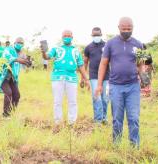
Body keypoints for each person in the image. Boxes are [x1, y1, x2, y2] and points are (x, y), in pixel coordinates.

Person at [95, 17, 143, 147]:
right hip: (115, 86)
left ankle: (134, 147)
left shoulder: (138, 44)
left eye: (129, 29)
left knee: (134, 118)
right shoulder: (110, 44)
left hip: (133, 86)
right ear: (119, 28)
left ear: (133, 28)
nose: (126, 31)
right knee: (117, 119)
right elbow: (103, 64)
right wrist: (99, 85)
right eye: (124, 29)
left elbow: (140, 64)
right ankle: (116, 146)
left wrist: (143, 77)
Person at [42, 30, 89, 126]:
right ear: (62, 37)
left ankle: (72, 123)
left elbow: (81, 65)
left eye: (68, 36)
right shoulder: (56, 48)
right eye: (65, 36)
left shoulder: (76, 50)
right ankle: (58, 123)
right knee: (57, 101)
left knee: (73, 102)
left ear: (72, 37)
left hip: (72, 79)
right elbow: (47, 57)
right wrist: (43, 52)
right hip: (57, 78)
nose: (66, 37)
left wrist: (86, 79)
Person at [0, 37, 30, 117]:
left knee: (17, 95)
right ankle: (5, 114)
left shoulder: (22, 53)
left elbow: (24, 64)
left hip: (12, 78)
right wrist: (17, 59)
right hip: (3, 76)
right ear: (14, 43)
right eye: (18, 42)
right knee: (8, 93)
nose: (20, 44)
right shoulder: (9, 49)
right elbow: (7, 57)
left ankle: (11, 113)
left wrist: (28, 63)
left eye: (21, 43)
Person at [84, 27, 109, 124]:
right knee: (96, 97)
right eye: (94, 35)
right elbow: (85, 62)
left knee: (105, 98)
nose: (96, 37)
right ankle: (98, 120)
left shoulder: (107, 46)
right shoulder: (88, 47)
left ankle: (104, 118)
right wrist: (84, 77)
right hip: (93, 76)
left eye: (98, 35)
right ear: (92, 35)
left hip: (106, 76)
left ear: (101, 34)